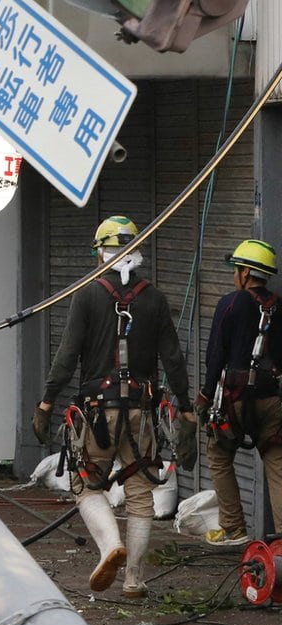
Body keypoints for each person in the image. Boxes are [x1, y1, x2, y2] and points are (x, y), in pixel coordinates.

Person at [32, 215, 196, 598]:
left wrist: (47, 401)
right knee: (140, 494)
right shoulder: (155, 299)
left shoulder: (87, 295)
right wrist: (187, 409)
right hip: (142, 414)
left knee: (86, 486)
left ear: (100, 253)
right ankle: (134, 580)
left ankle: (110, 547)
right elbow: (173, 360)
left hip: (98, 413)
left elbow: (67, 356)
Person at [195, 239, 282, 545]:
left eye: (236, 269)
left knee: (219, 455)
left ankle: (233, 528)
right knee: (276, 461)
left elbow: (215, 355)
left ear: (245, 273)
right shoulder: (280, 306)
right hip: (272, 400)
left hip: (234, 401)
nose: (235, 275)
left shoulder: (230, 303)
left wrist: (205, 396)